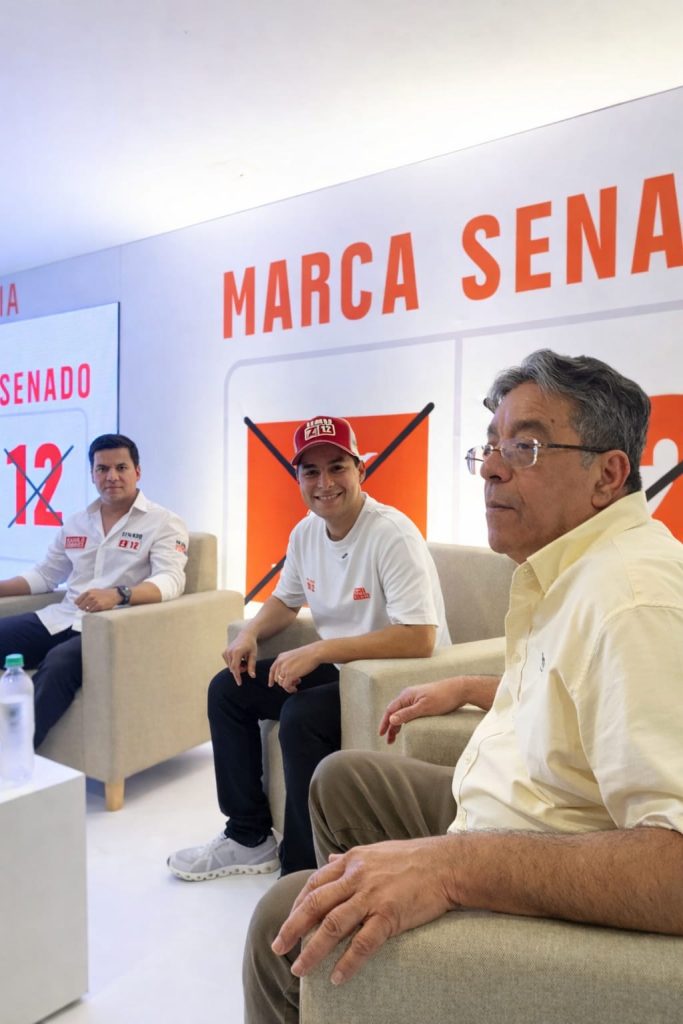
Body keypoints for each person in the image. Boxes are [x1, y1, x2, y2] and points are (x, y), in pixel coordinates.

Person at [244, 349, 683, 1023]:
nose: (494, 469)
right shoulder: (571, 568)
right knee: (343, 779)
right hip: (509, 815)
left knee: (282, 919)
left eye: (527, 447)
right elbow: (574, 686)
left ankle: (367, 949)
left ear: (608, 474)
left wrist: (452, 868)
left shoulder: (630, 599)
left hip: (537, 857)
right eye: (491, 448)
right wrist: (475, 687)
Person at [168, 414, 450, 880]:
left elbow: (420, 637)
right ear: (298, 478)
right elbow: (285, 598)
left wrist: (320, 651)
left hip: (398, 680)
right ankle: (248, 836)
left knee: (301, 717)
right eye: (311, 471)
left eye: (338, 467)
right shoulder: (305, 532)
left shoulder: (391, 533)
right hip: (345, 674)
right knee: (229, 689)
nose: (325, 483)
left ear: (361, 470)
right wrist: (251, 632)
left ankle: (301, 869)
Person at [0, 433, 188, 745]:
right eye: (102, 469)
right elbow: (45, 576)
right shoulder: (76, 522)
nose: (111, 476)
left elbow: (171, 580)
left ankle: (12, 760)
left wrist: (119, 594)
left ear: (137, 472)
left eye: (121, 467)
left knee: (57, 666)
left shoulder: (163, 522)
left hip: (109, 628)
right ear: (92, 474)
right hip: (62, 617)